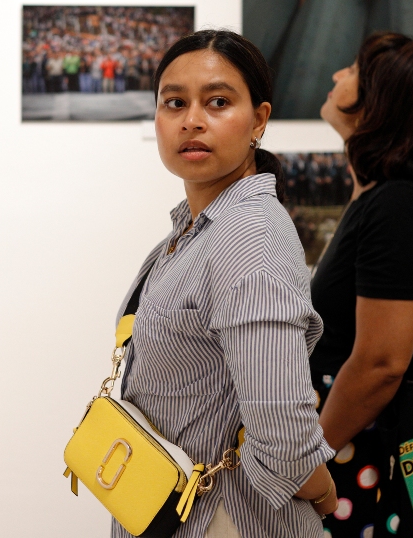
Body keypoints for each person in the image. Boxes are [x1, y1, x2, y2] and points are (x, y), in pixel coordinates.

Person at [113, 29, 338, 538]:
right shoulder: (195, 228)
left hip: (228, 519)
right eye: (175, 103)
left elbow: (284, 431)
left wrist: (325, 494)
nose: (192, 120)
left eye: (217, 102)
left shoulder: (248, 234)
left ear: (258, 120)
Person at [309, 32, 413, 537]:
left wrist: (306, 460)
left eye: (352, 70)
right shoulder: (390, 199)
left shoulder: (399, 208)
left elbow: (381, 364)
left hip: (364, 453)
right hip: (357, 443)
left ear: (380, 101)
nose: (337, 76)